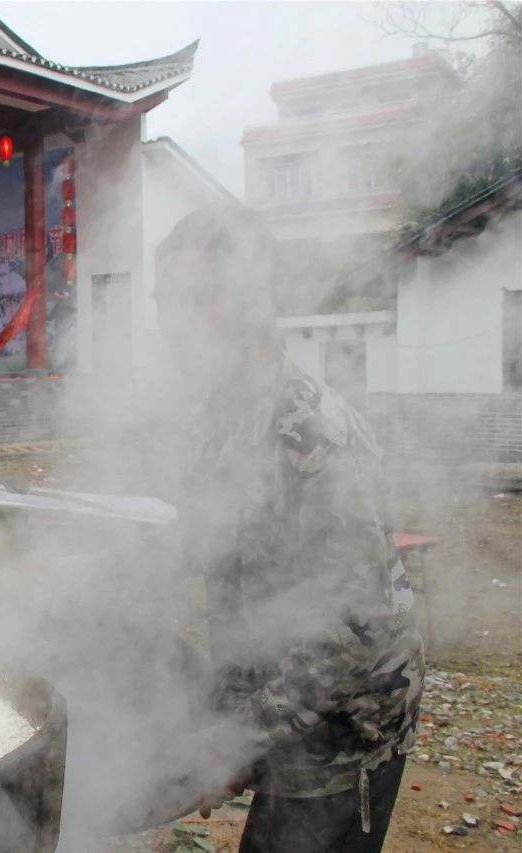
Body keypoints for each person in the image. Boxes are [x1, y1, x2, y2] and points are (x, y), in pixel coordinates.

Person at [155, 205, 423, 853]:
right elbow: (216, 547)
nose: (172, 325)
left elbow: (352, 631)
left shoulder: (314, 432)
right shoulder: (214, 415)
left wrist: (231, 740)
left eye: (195, 301)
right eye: (165, 303)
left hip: (348, 724)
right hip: (273, 696)